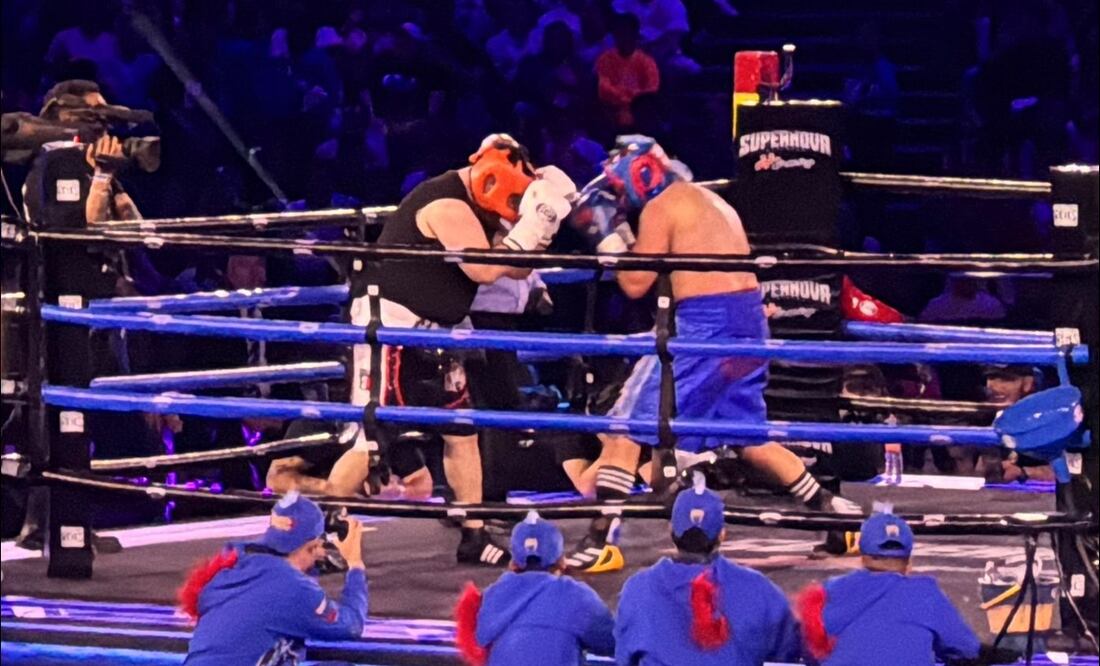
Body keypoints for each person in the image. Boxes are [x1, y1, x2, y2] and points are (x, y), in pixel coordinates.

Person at [562, 136, 861, 572]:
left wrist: (606, 234)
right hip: (748, 325)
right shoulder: (710, 201)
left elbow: (633, 285)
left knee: (624, 430)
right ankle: (836, 515)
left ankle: (599, 540)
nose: (621, 196)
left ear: (640, 175)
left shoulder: (664, 207)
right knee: (748, 437)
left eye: (621, 186)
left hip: (704, 329)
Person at [349, 133, 577, 566]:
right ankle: (325, 528)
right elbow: (484, 269)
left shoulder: (481, 208)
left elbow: (510, 263)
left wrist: (542, 228)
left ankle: (472, 534)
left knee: (462, 431)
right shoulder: (449, 205)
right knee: (372, 441)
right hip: (396, 330)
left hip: (440, 332)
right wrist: (530, 226)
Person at [615, 476, 801, 665]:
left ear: (671, 530)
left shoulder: (638, 589)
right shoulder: (760, 589)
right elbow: (788, 655)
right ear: (722, 535)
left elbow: (623, 656)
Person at [180, 492, 368, 665]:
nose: (320, 554)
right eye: (317, 546)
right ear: (310, 545)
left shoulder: (229, 572)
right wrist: (355, 564)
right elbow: (351, 625)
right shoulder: (292, 587)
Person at [797, 511, 983, 666]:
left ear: (862, 556)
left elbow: (808, 652)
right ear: (909, 562)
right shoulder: (926, 594)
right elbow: (966, 648)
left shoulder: (825, 593)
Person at [454, 511, 615, 665]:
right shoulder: (575, 594)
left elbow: (478, 643)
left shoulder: (492, 595)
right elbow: (611, 642)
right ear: (562, 561)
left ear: (513, 563)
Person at [595, 12, 659, 129]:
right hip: (612, 113)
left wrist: (632, 101)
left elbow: (651, 90)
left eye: (628, 33)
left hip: (639, 115)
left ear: (635, 35)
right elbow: (604, 89)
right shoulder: (605, 60)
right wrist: (627, 97)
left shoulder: (647, 62)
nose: (624, 37)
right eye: (620, 33)